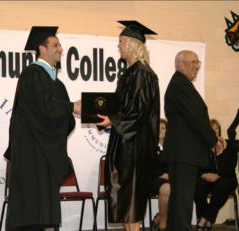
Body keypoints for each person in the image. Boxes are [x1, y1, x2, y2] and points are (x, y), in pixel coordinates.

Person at [4, 26, 80, 231]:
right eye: (55, 45)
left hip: (45, 154)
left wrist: (70, 112)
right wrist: (71, 107)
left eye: (60, 45)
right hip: (31, 153)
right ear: (42, 49)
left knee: (42, 214)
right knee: (30, 212)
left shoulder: (57, 83)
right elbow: (44, 109)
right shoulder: (32, 75)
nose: (61, 49)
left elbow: (63, 119)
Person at [96, 20, 160, 231]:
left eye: (121, 41)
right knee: (125, 204)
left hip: (135, 148)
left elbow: (139, 112)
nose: (119, 46)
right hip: (125, 144)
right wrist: (104, 114)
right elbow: (122, 107)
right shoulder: (130, 73)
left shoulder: (142, 73)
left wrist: (112, 120)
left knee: (131, 205)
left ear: (133, 44)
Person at [163, 50, 226, 231]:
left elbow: (193, 118)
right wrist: (213, 140)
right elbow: (196, 118)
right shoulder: (181, 85)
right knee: (182, 202)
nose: (197, 67)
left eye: (198, 63)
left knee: (178, 202)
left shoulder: (179, 84)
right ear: (181, 64)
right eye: (193, 62)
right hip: (184, 153)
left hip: (181, 152)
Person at [194, 119, 238, 230]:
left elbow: (231, 165)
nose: (214, 131)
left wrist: (220, 150)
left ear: (220, 131)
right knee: (197, 185)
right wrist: (202, 175)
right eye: (211, 129)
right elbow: (195, 165)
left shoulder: (228, 144)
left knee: (222, 186)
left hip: (225, 177)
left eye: (216, 129)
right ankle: (205, 220)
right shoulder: (201, 146)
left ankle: (204, 219)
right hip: (205, 177)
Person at [150, 118, 170, 231]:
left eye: (163, 128)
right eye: (159, 128)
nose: (161, 130)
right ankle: (163, 224)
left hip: (170, 179)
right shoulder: (150, 146)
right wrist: (162, 175)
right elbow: (146, 166)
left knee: (181, 188)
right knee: (167, 188)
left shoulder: (171, 147)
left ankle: (158, 217)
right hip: (153, 179)